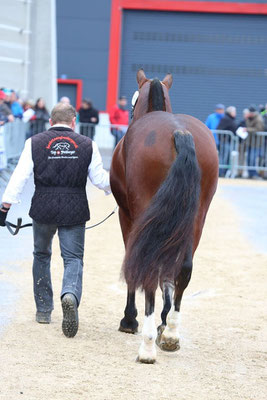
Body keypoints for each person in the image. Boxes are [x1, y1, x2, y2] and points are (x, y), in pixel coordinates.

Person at [0, 102, 111, 338]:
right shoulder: (87, 144)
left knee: (41, 255)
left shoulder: (34, 143)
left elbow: (19, 177)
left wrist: (5, 208)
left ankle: (43, 309)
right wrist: (122, 188)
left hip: (43, 207)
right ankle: (69, 294)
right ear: (74, 122)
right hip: (75, 208)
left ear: (50, 122)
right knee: (73, 258)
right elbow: (101, 180)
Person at [217, 106, 237, 177]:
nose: (235, 113)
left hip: (229, 142)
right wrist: (224, 138)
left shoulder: (230, 119)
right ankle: (220, 172)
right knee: (224, 157)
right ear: (230, 112)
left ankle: (224, 172)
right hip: (225, 142)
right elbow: (219, 129)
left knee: (227, 157)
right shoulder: (226, 119)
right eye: (234, 112)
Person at [245, 105, 264, 179]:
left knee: (252, 159)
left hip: (256, 143)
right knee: (249, 159)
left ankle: (254, 174)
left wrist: (247, 129)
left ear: (251, 113)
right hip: (250, 142)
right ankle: (250, 173)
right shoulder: (249, 118)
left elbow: (259, 129)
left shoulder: (258, 119)